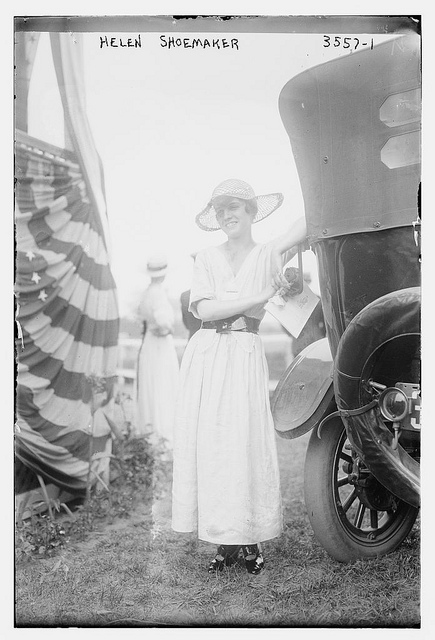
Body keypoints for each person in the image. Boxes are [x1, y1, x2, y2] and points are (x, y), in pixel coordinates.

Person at [171, 178, 307, 575]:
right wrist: (257, 297)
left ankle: (248, 539)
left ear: (251, 212)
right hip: (208, 352)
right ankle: (220, 540)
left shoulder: (268, 254)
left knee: (241, 441)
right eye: (220, 209)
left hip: (244, 352)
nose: (227, 215)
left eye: (235, 207)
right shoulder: (207, 258)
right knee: (212, 443)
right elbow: (205, 311)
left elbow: (306, 220)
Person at [135, 255, 179, 448]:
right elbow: (163, 322)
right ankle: (163, 438)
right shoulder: (158, 293)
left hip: (149, 342)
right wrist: (169, 328)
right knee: (162, 385)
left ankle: (151, 433)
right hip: (159, 344)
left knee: (153, 384)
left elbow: (141, 317)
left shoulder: (146, 292)